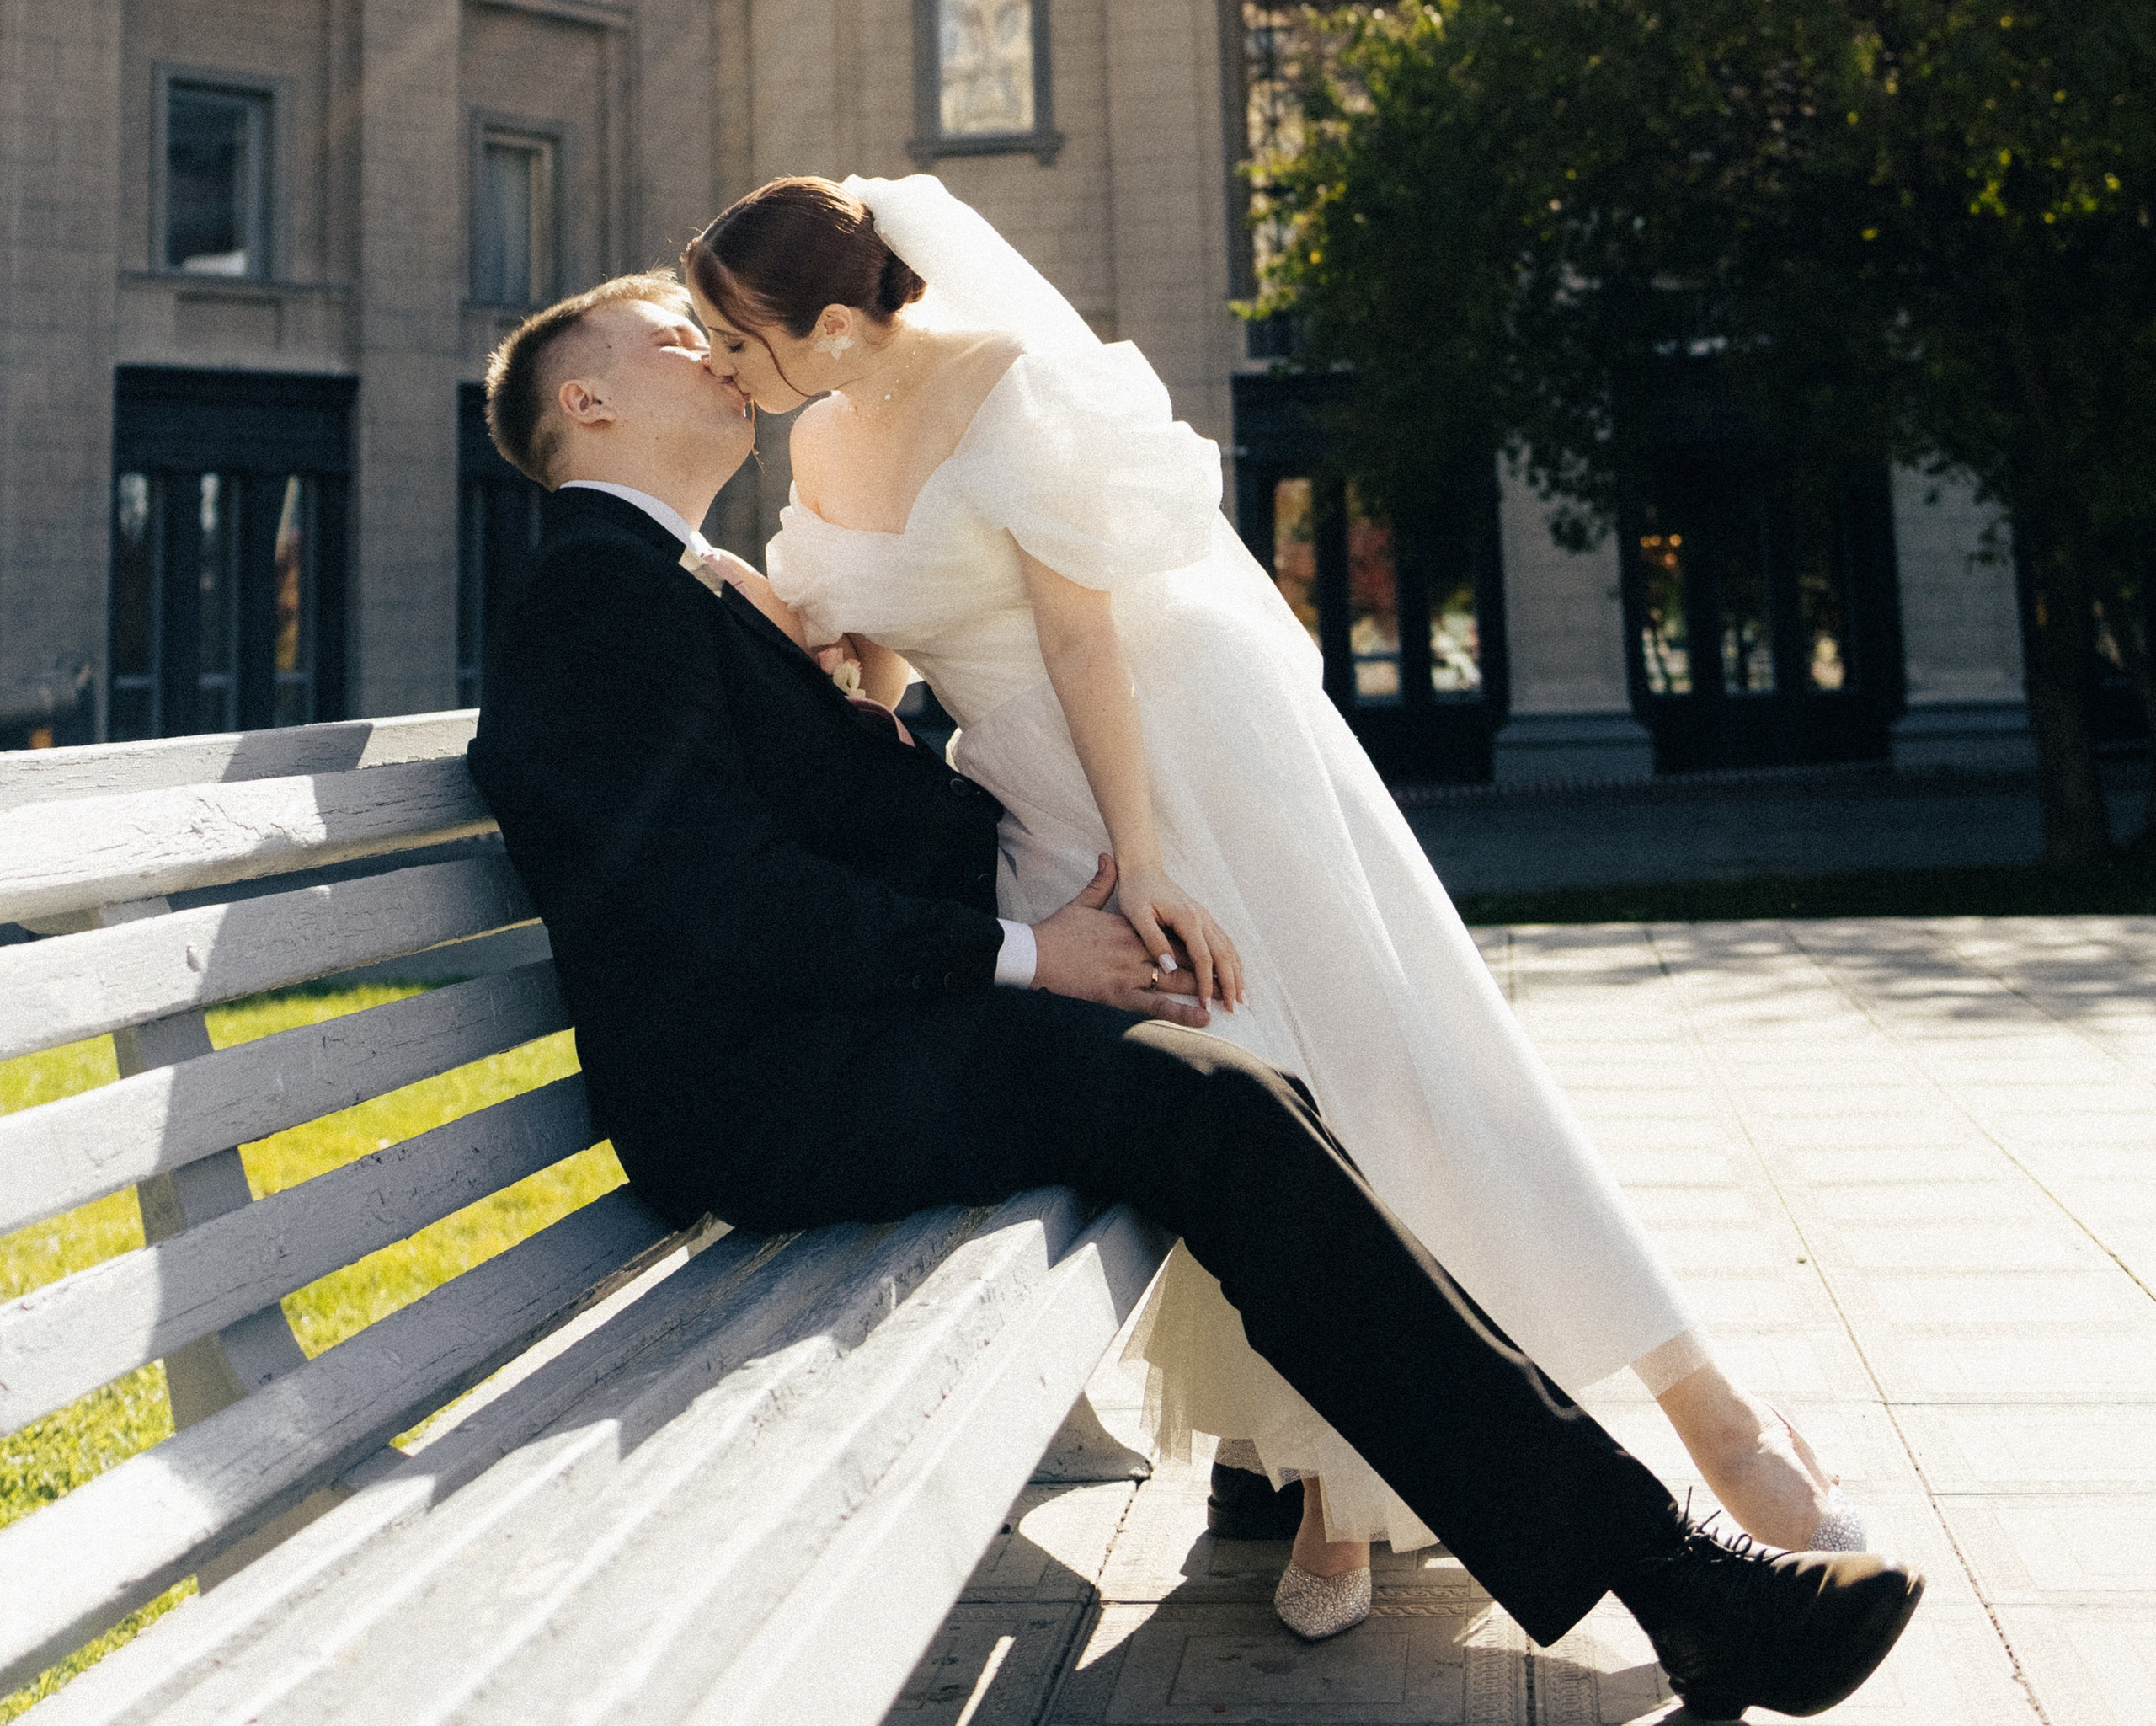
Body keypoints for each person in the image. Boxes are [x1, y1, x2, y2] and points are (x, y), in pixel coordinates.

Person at [469, 268, 1920, 1720]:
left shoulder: (676, 586)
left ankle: (1370, 1487)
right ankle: (1683, 1585)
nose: (721, 356)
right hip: (765, 1101)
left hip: (842, 1047)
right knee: (1211, 1101)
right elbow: (716, 899)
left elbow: (808, 835)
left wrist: (1016, 844)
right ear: (584, 404)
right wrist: (1036, 956)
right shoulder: (593, 597)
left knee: (1226, 1072)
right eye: (676, 340)